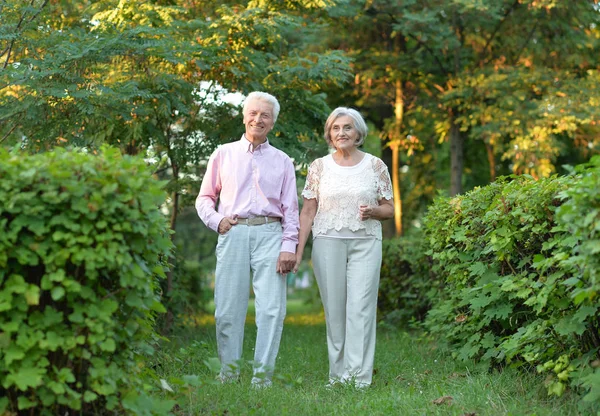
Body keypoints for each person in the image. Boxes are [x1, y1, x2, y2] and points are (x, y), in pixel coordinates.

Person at [196, 91, 299, 388]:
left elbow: (291, 209)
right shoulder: (223, 154)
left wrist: (288, 247)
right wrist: (218, 221)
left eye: (265, 115)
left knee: (271, 309)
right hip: (234, 232)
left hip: (270, 233)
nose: (258, 119)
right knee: (228, 308)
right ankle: (229, 373)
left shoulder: (282, 161)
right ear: (244, 116)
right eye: (253, 113)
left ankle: (262, 378)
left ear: (273, 122)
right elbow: (204, 198)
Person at [293, 107, 394, 388]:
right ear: (329, 134)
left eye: (347, 127)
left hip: (366, 242)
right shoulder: (318, 167)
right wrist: (299, 250)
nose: (341, 133)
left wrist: (373, 210)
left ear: (359, 133)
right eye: (336, 129)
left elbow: (390, 209)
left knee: (360, 308)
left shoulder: (375, 166)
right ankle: (337, 376)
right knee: (335, 311)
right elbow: (308, 211)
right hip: (327, 242)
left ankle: (358, 378)